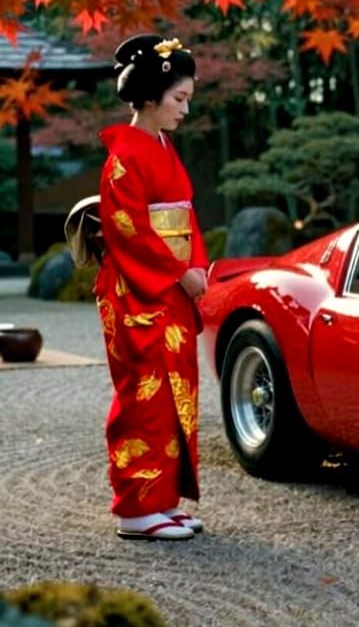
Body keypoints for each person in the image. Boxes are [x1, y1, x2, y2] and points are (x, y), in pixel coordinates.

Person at [93, 33, 208, 540]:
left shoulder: (163, 147)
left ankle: (162, 501)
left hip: (171, 288)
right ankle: (134, 507)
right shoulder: (124, 156)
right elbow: (129, 230)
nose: (185, 109)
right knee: (144, 394)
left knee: (174, 393)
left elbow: (187, 215)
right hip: (137, 291)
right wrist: (180, 271)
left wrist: (197, 266)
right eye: (179, 98)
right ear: (149, 96)